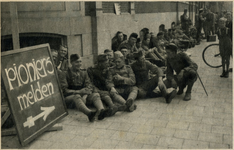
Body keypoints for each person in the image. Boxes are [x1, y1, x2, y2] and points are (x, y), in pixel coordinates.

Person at [60, 54, 109, 122]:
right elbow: (64, 90)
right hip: (69, 98)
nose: (79, 64)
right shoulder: (65, 73)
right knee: (76, 96)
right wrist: (79, 92)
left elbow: (89, 85)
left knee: (96, 95)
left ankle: (101, 111)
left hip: (82, 96)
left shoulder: (83, 72)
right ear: (71, 62)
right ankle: (89, 113)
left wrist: (85, 95)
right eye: (77, 62)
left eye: (80, 62)